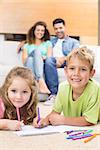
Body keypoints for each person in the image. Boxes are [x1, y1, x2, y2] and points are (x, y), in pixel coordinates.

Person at [33, 47, 100, 127]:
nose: (76, 73)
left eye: (83, 69)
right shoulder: (63, 87)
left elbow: (89, 120)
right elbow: (55, 112)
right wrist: (45, 120)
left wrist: (62, 120)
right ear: (66, 71)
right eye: (72, 68)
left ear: (91, 73)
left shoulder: (95, 89)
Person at [44, 18, 80, 105]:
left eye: (60, 28)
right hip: (51, 62)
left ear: (65, 27)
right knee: (48, 61)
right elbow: (37, 41)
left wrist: (62, 59)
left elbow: (74, 53)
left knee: (49, 61)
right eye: (56, 29)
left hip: (67, 61)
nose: (58, 30)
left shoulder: (73, 41)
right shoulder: (50, 41)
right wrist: (24, 42)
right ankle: (53, 95)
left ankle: (54, 94)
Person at [22, 21, 53, 94]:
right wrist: (36, 55)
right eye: (38, 30)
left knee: (34, 55)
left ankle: (35, 83)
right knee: (31, 58)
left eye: (42, 30)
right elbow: (24, 61)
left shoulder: (48, 43)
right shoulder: (27, 45)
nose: (40, 32)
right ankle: (40, 80)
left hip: (42, 64)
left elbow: (49, 57)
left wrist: (38, 57)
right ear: (34, 31)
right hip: (29, 65)